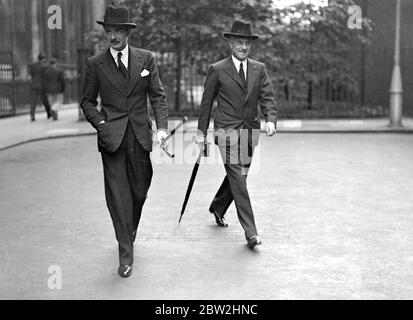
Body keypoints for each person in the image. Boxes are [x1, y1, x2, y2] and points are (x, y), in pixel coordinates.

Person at [81, 5, 169, 277]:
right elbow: (86, 101)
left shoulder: (146, 59)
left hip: (140, 135)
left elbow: (157, 96)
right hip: (112, 138)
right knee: (119, 197)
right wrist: (101, 124)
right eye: (109, 31)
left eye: (118, 30)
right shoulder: (95, 64)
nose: (113, 36)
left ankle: (127, 232)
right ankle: (126, 254)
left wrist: (162, 129)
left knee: (140, 191)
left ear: (127, 32)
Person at [197, 20, 278, 249]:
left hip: (250, 132)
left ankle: (218, 206)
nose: (243, 47)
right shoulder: (218, 69)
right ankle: (251, 232)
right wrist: (201, 134)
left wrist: (270, 119)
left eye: (247, 43)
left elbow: (268, 97)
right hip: (226, 133)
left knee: (238, 177)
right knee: (238, 179)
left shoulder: (258, 68)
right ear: (230, 43)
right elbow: (206, 104)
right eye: (239, 42)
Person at [28, 53, 52, 121]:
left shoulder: (33, 66)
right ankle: (48, 113)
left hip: (33, 84)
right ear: (44, 58)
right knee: (45, 100)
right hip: (42, 85)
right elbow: (47, 76)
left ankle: (32, 116)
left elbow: (32, 75)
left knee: (33, 101)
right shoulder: (45, 66)